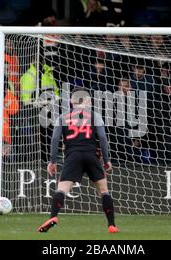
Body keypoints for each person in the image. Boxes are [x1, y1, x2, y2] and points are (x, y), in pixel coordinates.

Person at [37, 87, 119, 233]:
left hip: (72, 155)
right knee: (104, 191)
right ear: (87, 101)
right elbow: (102, 138)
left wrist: (53, 161)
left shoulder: (62, 117)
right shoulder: (95, 116)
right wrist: (106, 160)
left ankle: (53, 216)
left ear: (71, 101)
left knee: (62, 189)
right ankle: (111, 225)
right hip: (91, 155)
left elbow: (55, 139)